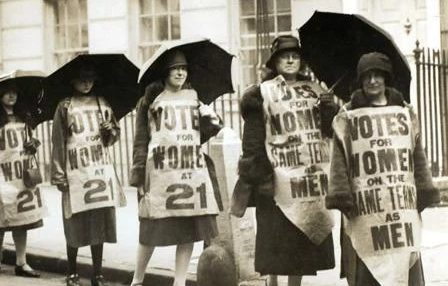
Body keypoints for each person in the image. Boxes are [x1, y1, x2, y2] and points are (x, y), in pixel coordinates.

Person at [230, 35, 338, 286]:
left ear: (301, 61)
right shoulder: (261, 93)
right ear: (275, 62)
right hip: (275, 178)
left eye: (295, 56)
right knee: (275, 241)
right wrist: (260, 174)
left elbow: (329, 132)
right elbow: (254, 139)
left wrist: (327, 108)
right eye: (284, 56)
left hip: (307, 182)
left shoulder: (315, 91)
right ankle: (272, 282)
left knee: (299, 244)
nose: (290, 60)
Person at [326, 52, 441, 286]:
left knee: (404, 260)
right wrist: (341, 196)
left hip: (400, 206)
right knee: (368, 265)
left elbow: (416, 153)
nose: (372, 81)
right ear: (360, 80)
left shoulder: (405, 112)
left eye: (378, 75)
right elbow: (339, 159)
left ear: (386, 79)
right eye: (367, 76)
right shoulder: (348, 115)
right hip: (364, 207)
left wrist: (424, 189)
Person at [129, 49, 223, 286]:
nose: (181, 72)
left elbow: (200, 135)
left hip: (190, 172)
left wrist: (211, 120)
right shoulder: (150, 101)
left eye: (184, 68)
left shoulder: (194, 98)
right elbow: (141, 140)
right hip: (160, 173)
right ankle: (137, 280)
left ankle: (179, 283)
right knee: (151, 229)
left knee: (189, 229)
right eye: (175, 68)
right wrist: (139, 177)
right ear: (166, 72)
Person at [51, 64, 122, 286]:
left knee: (98, 224)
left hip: (99, 170)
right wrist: (59, 174)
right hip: (75, 172)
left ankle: (97, 273)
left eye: (90, 78)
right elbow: (58, 141)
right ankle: (72, 272)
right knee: (74, 223)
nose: (86, 83)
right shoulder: (65, 107)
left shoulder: (102, 103)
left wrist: (110, 130)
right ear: (73, 81)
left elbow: (113, 138)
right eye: (82, 79)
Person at [0, 81, 44, 278]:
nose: (11, 96)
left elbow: (30, 142)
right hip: (2, 174)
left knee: (21, 220)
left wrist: (33, 144)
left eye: (14, 92)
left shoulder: (24, 117)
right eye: (6, 92)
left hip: (21, 175)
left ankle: (21, 262)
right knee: (0, 220)